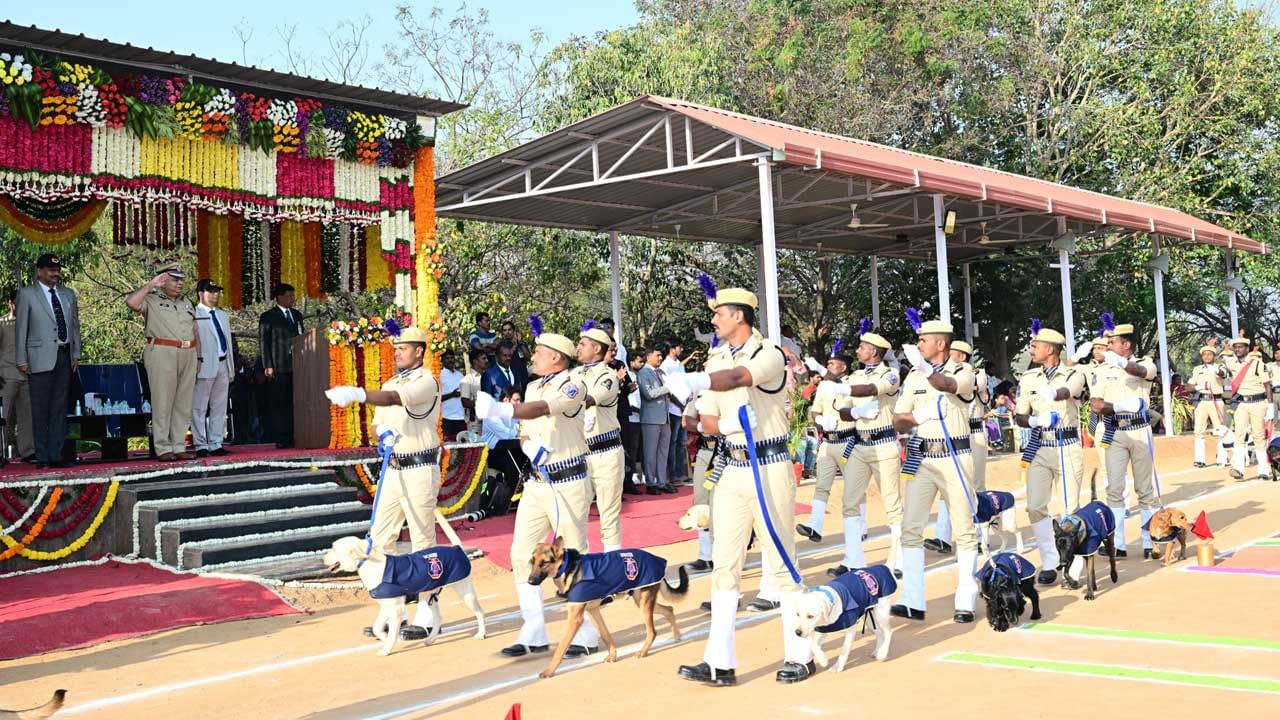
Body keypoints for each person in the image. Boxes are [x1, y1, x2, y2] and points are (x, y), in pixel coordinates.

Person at [666, 286, 813, 685]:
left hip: (768, 462)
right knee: (724, 564)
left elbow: (737, 379)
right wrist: (714, 417)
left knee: (782, 560)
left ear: (739, 316)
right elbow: (707, 421)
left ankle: (801, 654)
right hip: (731, 464)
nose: (713, 320)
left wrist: (697, 379)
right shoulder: (716, 356)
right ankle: (719, 662)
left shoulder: (768, 353)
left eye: (719, 314)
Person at [471, 328, 600, 659]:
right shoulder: (530, 385)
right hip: (537, 480)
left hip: (567, 480)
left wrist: (503, 410)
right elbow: (526, 431)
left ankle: (586, 632)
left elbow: (544, 409)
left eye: (540, 352)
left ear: (556, 357)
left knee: (573, 554)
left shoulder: (573, 384)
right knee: (520, 553)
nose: (533, 357)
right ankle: (534, 629)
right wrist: (530, 448)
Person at [326, 326, 442, 641]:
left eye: (403, 348)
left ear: (419, 350)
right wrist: (383, 434)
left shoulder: (426, 381)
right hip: (393, 468)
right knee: (380, 539)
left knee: (422, 541)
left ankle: (428, 614)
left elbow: (394, 399)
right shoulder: (391, 381)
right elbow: (378, 424)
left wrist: (358, 394)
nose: (397, 352)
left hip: (419, 465)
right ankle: (394, 610)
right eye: (396, 348)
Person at [891, 315, 980, 624]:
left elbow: (948, 385)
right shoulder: (914, 377)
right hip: (923, 457)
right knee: (911, 528)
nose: (919, 345)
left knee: (964, 529)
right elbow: (898, 419)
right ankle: (913, 599)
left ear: (940, 343)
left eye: (923, 340)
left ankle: (966, 598)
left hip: (956, 454)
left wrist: (928, 371)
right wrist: (919, 418)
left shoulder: (963, 370)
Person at [808, 329, 904, 577]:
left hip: (883, 443)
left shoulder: (891, 375)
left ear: (874, 351)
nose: (858, 350)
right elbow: (843, 412)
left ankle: (900, 558)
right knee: (850, 502)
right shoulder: (856, 376)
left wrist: (845, 391)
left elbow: (872, 389)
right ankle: (854, 559)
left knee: (891, 503)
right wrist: (856, 413)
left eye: (862, 347)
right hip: (860, 445)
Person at [1014, 325, 1086, 585]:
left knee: (1070, 508)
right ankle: (1050, 560)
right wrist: (1034, 421)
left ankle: (1074, 564)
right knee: (1034, 505)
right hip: (1040, 445)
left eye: (1036, 345)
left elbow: (1070, 391)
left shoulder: (1074, 373)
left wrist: (1053, 393)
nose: (1032, 349)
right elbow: (1020, 415)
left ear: (1051, 349)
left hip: (1066, 445)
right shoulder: (1029, 378)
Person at [1090, 321, 1160, 558]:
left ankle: (1150, 540)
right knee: (1114, 488)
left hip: (1140, 430)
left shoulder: (1144, 362)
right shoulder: (1102, 370)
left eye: (1112, 342)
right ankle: (1117, 543)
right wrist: (1121, 406)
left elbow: (1143, 373)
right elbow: (1096, 404)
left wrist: (1120, 363)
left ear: (1126, 344)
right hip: (1115, 431)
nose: (1107, 346)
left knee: (1145, 489)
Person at [14, 253, 82, 468]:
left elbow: (75, 326)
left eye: (57, 269)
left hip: (64, 355)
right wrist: (22, 359)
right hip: (38, 358)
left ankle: (56, 455)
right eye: (51, 269)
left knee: (59, 408)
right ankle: (42, 456)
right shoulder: (27, 294)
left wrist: (76, 354)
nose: (56, 273)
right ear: (39, 271)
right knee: (40, 409)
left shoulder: (68, 294)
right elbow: (21, 329)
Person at [127, 268, 198, 462]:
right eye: (174, 280)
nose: (179, 284)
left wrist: (198, 357)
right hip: (162, 351)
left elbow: (195, 329)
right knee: (163, 401)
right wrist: (150, 285)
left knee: (183, 403)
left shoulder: (186, 302)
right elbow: (131, 302)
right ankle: (163, 447)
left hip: (188, 352)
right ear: (163, 280)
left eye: (181, 280)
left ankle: (179, 445)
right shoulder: (151, 299)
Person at [926, 339, 990, 553]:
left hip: (973, 433)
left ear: (962, 356)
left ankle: (980, 536)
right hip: (953, 435)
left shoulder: (974, 373)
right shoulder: (943, 373)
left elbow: (975, 385)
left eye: (952, 353)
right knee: (948, 488)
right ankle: (942, 537)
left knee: (975, 486)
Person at [576, 325, 625, 551]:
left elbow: (588, 400)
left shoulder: (608, 376)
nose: (578, 348)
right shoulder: (575, 374)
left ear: (596, 348)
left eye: (583, 344)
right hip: (581, 453)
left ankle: (613, 562)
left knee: (608, 513)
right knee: (577, 512)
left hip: (605, 452)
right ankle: (582, 564)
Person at [192, 279, 234, 457]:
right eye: (211, 291)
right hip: (204, 364)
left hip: (223, 362)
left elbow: (229, 343)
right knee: (199, 406)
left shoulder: (222, 314)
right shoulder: (193, 313)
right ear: (201, 294)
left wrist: (231, 368)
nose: (215, 294)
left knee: (219, 406)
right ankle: (200, 444)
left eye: (217, 291)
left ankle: (216, 442)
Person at [258, 283, 304, 448]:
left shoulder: (297, 315)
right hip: (278, 365)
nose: (292, 299)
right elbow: (264, 342)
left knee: (294, 402)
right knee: (280, 403)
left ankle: (295, 435)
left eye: (293, 295)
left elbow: (302, 336)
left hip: (297, 365)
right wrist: (267, 365)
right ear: (280, 297)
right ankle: (282, 438)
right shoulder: (268, 316)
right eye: (289, 295)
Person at [1223, 335, 1273, 481]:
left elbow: (1267, 385)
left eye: (1240, 347)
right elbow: (1224, 369)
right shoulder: (1231, 363)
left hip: (1258, 402)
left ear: (1247, 348)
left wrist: (1270, 406)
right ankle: (1238, 468)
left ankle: (1263, 469)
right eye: (1235, 347)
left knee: (1258, 436)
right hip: (1241, 404)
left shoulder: (1257, 363)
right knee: (1239, 434)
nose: (1238, 349)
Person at [0, 290, 35, 463]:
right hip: (6, 376)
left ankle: (28, 451)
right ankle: (1, 450)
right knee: (3, 416)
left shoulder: (31, 324)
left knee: (27, 416)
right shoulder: (2, 323)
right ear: (10, 303)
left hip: (27, 376)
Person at [481, 386, 527, 514]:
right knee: (512, 464)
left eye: (520, 400)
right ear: (506, 400)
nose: (519, 404)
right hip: (494, 453)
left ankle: (526, 497)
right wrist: (520, 429)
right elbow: (507, 435)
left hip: (510, 449)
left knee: (527, 459)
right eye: (516, 400)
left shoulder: (513, 413)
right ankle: (512, 499)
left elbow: (522, 429)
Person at [638, 347, 675, 494]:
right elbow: (649, 394)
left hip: (664, 417)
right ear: (648, 356)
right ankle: (651, 482)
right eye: (657, 355)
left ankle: (662, 481)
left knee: (663, 452)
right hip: (651, 418)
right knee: (650, 452)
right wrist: (668, 387)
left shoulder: (660, 372)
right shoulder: (643, 373)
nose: (660, 358)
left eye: (661, 355)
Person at [1188, 343, 1231, 468]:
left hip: (1216, 400)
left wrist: (1215, 369)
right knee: (1198, 430)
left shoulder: (1220, 366)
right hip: (1201, 401)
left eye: (1210, 354)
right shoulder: (1197, 369)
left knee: (1219, 430)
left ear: (1214, 356)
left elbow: (1223, 374)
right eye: (1204, 354)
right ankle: (1199, 459)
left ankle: (1222, 457)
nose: (1207, 356)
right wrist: (1197, 387)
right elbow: (1189, 386)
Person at [661, 342, 691, 484]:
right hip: (673, 409)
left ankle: (680, 474)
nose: (681, 349)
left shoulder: (679, 364)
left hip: (684, 408)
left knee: (681, 443)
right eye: (679, 346)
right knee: (672, 443)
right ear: (672, 349)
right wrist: (679, 404)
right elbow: (668, 390)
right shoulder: (665, 366)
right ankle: (671, 475)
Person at [439, 350, 467, 440]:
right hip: (446, 417)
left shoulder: (460, 375)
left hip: (461, 417)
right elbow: (435, 398)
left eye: (452, 358)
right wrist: (452, 394)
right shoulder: (439, 375)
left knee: (462, 447)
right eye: (447, 358)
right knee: (447, 447)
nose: (450, 360)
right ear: (442, 361)